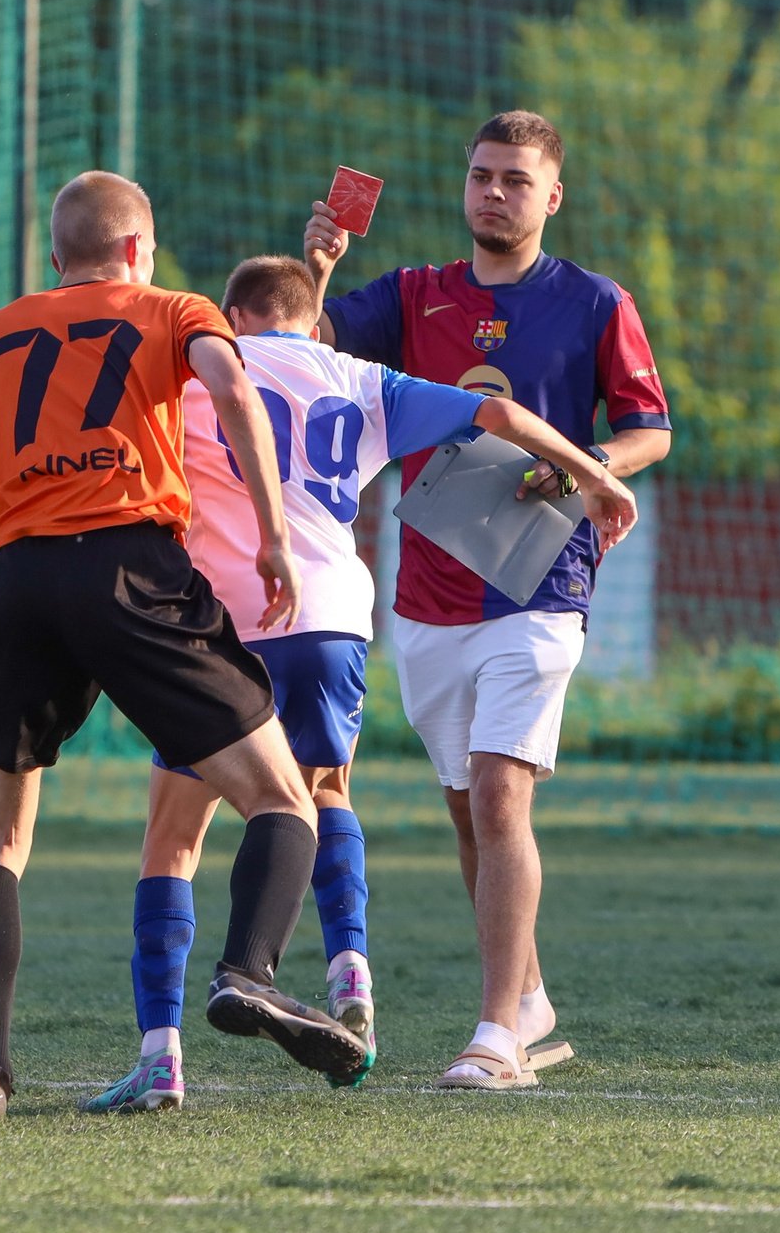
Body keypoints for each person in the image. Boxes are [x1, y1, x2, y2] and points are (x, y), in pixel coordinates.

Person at [84, 254, 634, 1112]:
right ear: (313, 321)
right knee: (327, 791)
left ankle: (161, 1057)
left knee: (175, 837)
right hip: (333, 615)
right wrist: (595, 473)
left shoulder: (198, 363)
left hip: (221, 619)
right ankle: (353, 977)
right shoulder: (359, 376)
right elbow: (496, 411)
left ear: (230, 314)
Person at [0, 170, 366, 1126]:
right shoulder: (173, 308)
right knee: (284, 796)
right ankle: (248, 974)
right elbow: (232, 385)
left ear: (53, 256)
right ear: (134, 250)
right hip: (134, 570)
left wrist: (20, 478)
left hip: (22, 583)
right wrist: (276, 533)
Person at [306, 109, 672, 1091]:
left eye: (515, 178)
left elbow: (649, 429)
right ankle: (532, 999)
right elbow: (296, 340)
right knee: (468, 812)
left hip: (540, 583)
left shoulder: (595, 302)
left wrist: (585, 468)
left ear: (552, 195)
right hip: (424, 594)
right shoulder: (414, 294)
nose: (493, 192)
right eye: (480, 174)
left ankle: (494, 1035)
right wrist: (323, 262)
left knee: (502, 793)